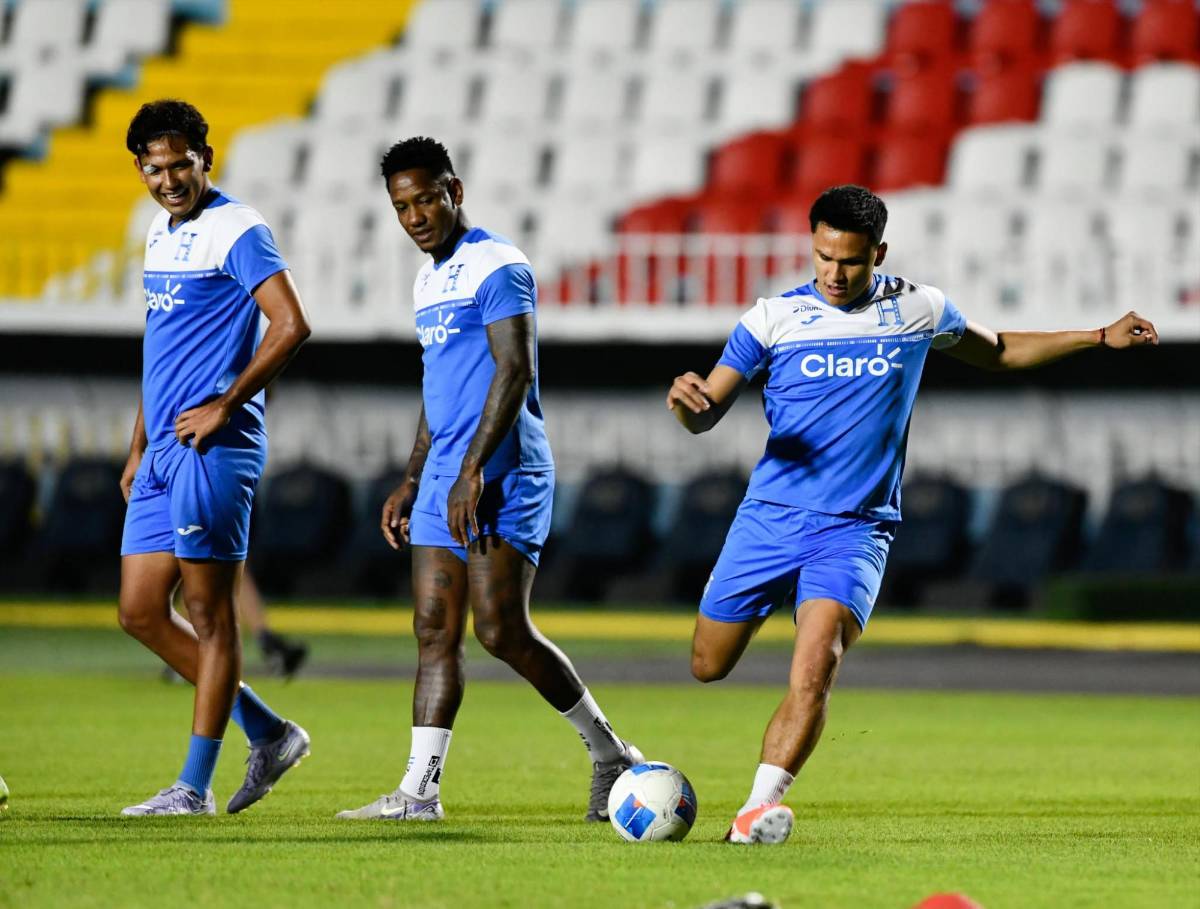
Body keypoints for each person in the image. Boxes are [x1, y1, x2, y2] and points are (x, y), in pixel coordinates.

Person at [666, 184, 1158, 845]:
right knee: (707, 663)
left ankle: (753, 814)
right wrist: (687, 403)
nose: (834, 274)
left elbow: (1002, 348)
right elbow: (708, 409)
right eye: (822, 257)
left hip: (856, 529)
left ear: (880, 253)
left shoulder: (917, 308)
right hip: (770, 519)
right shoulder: (771, 319)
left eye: (850, 261)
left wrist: (1098, 336)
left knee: (818, 663)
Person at [336, 137, 640, 823]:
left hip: (503, 468)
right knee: (432, 627)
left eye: (425, 199)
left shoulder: (498, 264)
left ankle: (610, 751)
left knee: (501, 629)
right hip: (447, 468)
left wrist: (472, 469)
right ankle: (418, 792)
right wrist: (414, 475)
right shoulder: (426, 279)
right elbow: (438, 384)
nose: (414, 216)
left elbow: (515, 368)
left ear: (455, 191)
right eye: (401, 206)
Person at [117, 99, 313, 816]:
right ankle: (268, 730)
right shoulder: (159, 235)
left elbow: (292, 324)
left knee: (210, 617)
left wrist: (227, 403)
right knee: (139, 611)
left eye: (180, 165)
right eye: (154, 168)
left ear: (207, 159)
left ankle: (191, 787)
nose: (168, 180)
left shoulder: (237, 226)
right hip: (164, 450)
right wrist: (138, 444)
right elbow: (157, 343)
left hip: (214, 446)